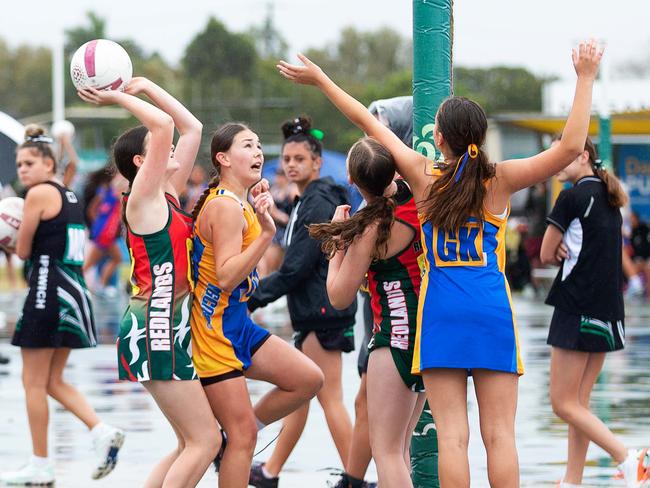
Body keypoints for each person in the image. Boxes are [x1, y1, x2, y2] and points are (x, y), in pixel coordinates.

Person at [277, 39, 603, 487]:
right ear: (481, 137)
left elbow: (364, 119)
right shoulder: (500, 180)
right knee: (500, 435)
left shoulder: (424, 176)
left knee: (452, 436)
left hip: (441, 313)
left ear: (441, 138)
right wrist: (585, 78)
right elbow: (569, 149)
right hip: (490, 308)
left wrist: (321, 80)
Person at [78, 78, 221, 486]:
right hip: (155, 323)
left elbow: (189, 127)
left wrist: (146, 85)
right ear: (142, 162)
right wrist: (118, 96)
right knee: (205, 441)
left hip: (164, 323)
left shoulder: (168, 193)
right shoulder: (142, 199)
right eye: (161, 150)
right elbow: (162, 127)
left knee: (188, 443)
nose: (173, 149)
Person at [190, 122, 323, 488]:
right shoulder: (225, 206)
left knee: (308, 379)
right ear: (224, 158)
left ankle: (232, 435)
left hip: (238, 325)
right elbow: (226, 277)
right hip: (214, 332)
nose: (259, 153)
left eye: (260, 146)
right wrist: (266, 233)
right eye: (248, 146)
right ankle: (234, 437)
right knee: (244, 437)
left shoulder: (241, 201)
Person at [0, 125, 124, 485]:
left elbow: (23, 250)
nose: (22, 169)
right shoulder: (67, 193)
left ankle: (41, 464)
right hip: (72, 291)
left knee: (33, 382)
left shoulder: (38, 194)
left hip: (47, 291)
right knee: (52, 380)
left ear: (48, 163)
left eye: (28, 162)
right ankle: (101, 431)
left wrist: (10, 233)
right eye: (19, 164)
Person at [309, 137, 427, 487]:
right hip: (425, 333)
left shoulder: (371, 227)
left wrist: (337, 249)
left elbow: (339, 296)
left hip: (394, 334)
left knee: (386, 450)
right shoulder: (414, 195)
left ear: (351, 178)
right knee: (401, 445)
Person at [246, 117, 357, 488]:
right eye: (287, 159)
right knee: (302, 397)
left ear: (317, 162)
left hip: (321, 311)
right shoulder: (307, 200)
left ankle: (355, 478)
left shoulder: (317, 201)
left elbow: (296, 268)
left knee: (330, 400)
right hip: (318, 308)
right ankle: (270, 471)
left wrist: (250, 298)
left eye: (299, 159)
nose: (290, 164)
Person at [540, 137, 649, 487]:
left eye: (564, 154)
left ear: (583, 155)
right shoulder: (610, 198)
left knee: (562, 403)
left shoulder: (571, 197)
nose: (557, 161)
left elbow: (545, 253)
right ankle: (572, 481)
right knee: (579, 405)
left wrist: (558, 250)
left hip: (575, 309)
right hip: (608, 314)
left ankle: (625, 456)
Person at [82, 170, 127, 296]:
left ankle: (101, 284)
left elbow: (92, 210)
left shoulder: (109, 195)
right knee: (89, 264)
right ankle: (93, 284)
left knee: (116, 258)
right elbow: (91, 210)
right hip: (104, 234)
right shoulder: (110, 194)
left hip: (108, 234)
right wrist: (98, 224)